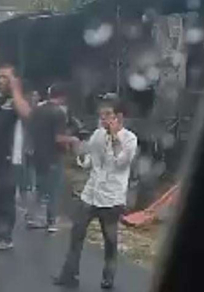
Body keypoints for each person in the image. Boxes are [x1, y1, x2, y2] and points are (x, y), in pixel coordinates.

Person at [54, 98, 138, 289]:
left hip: (111, 198)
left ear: (119, 117)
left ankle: (108, 278)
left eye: (108, 115)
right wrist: (81, 155)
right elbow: (89, 160)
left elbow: (121, 163)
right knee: (76, 234)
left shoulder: (130, 139)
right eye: (102, 115)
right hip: (90, 193)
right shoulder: (98, 135)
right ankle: (69, 275)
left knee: (110, 240)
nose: (104, 119)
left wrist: (114, 138)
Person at [0, 64, 31, 250]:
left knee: (4, 197)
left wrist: (15, 89)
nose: (0, 80)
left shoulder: (17, 101)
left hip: (7, 158)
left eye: (5, 77)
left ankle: (5, 237)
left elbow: (26, 114)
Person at [27, 83, 71, 233]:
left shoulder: (37, 110)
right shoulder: (58, 113)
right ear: (63, 97)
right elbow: (59, 138)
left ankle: (34, 218)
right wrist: (71, 142)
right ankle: (51, 222)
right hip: (53, 156)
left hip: (37, 155)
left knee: (39, 187)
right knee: (53, 190)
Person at [15, 89, 40, 221]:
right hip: (24, 147)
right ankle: (28, 208)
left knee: (32, 179)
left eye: (36, 96)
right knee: (24, 177)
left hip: (32, 148)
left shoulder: (37, 111)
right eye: (32, 96)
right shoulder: (25, 111)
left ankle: (31, 211)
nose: (34, 98)